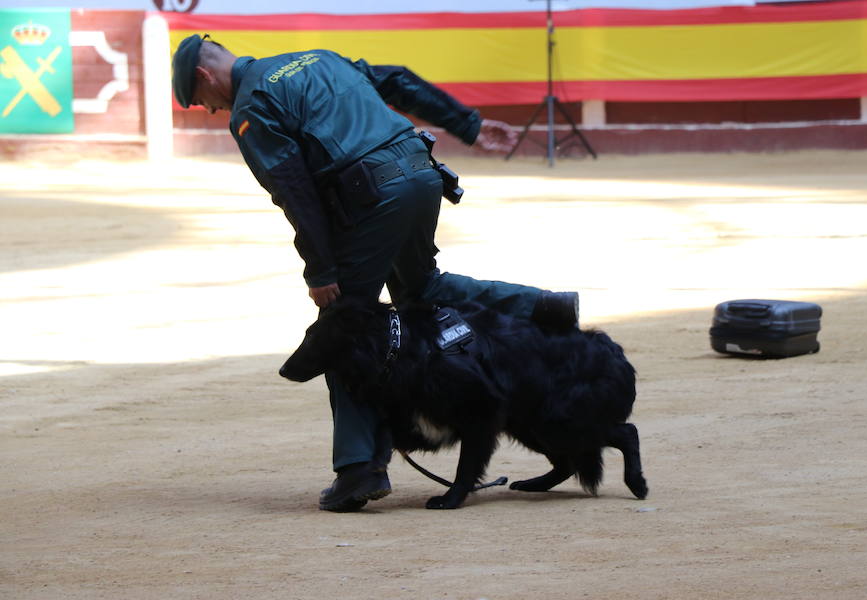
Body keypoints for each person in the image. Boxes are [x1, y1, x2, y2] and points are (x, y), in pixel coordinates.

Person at [170, 34, 578, 512]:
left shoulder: (251, 108)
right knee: (423, 288)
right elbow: (399, 81)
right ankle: (543, 306)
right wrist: (466, 124)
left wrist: (321, 269)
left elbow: (294, 191)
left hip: (371, 197)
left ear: (204, 76)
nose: (216, 110)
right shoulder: (318, 57)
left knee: (347, 326)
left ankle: (359, 470)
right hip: (421, 173)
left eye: (206, 103)